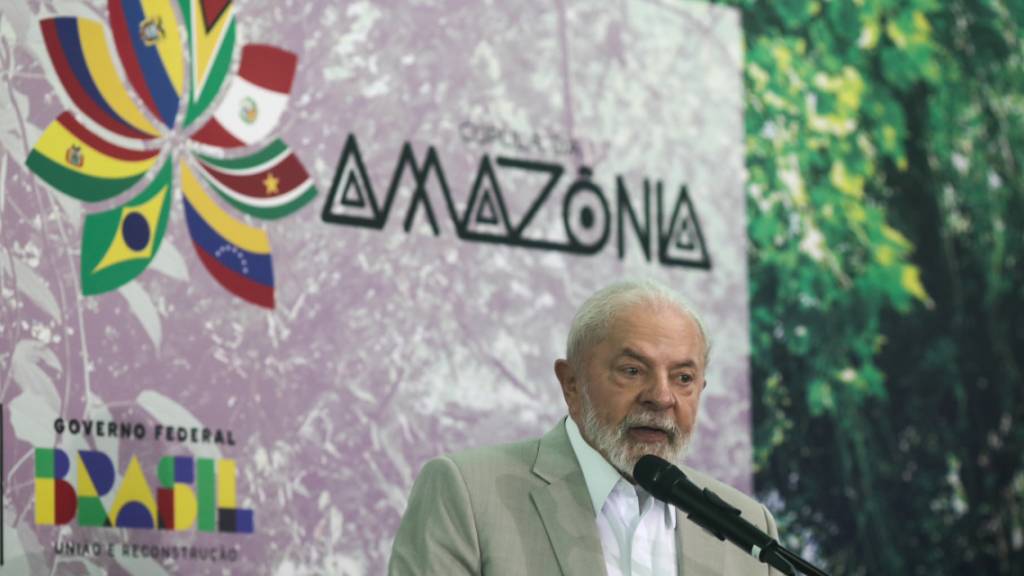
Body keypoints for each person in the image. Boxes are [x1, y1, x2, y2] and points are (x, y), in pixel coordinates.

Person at [389, 279, 780, 575]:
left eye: (683, 378)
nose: (661, 397)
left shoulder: (749, 531)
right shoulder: (467, 492)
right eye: (632, 370)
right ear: (571, 383)